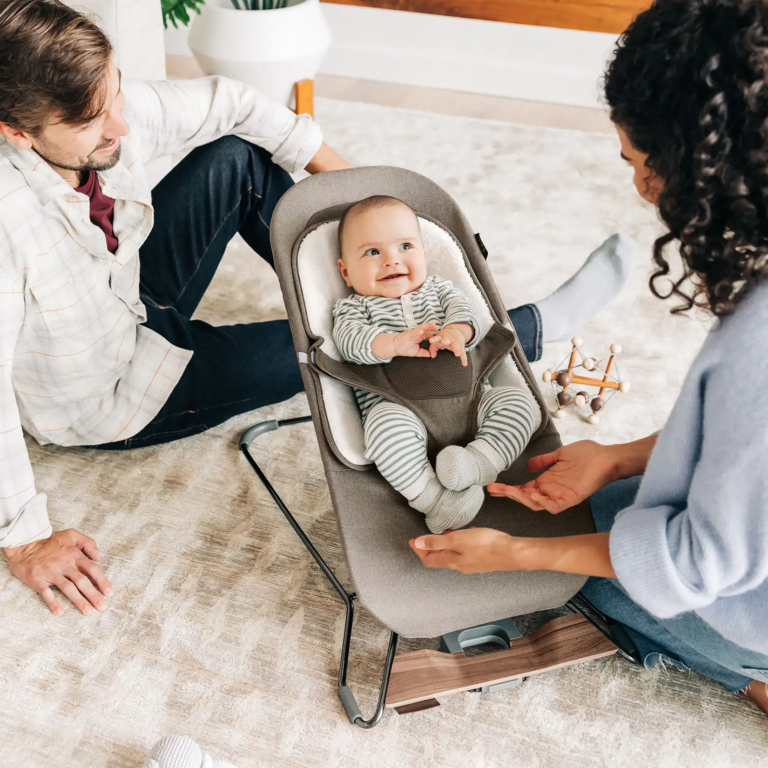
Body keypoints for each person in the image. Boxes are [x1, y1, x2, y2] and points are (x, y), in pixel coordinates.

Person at [0, 0, 634, 617]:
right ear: (17, 132)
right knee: (326, 352)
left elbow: (236, 101)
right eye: (91, 122)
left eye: (115, 95)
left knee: (236, 157)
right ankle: (526, 329)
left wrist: (356, 193)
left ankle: (369, 283)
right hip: (112, 390)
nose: (123, 126)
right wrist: (23, 538)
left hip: (131, 294)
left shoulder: (106, 111)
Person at [409, 0, 768, 716]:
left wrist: (516, 559)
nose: (639, 187)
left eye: (641, 164)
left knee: (588, 569)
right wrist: (620, 456)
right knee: (597, 513)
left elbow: (696, 562)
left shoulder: (754, 347)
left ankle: (756, 679)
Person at [333, 195, 537, 533]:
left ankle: (478, 463)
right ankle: (435, 500)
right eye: (372, 252)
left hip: (473, 403)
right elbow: (350, 341)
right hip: (403, 413)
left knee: (520, 404)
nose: (391, 261)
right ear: (346, 272)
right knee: (383, 430)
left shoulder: (440, 290)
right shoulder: (354, 309)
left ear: (424, 256)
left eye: (405, 246)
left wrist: (455, 333)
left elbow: (469, 315)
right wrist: (393, 343)